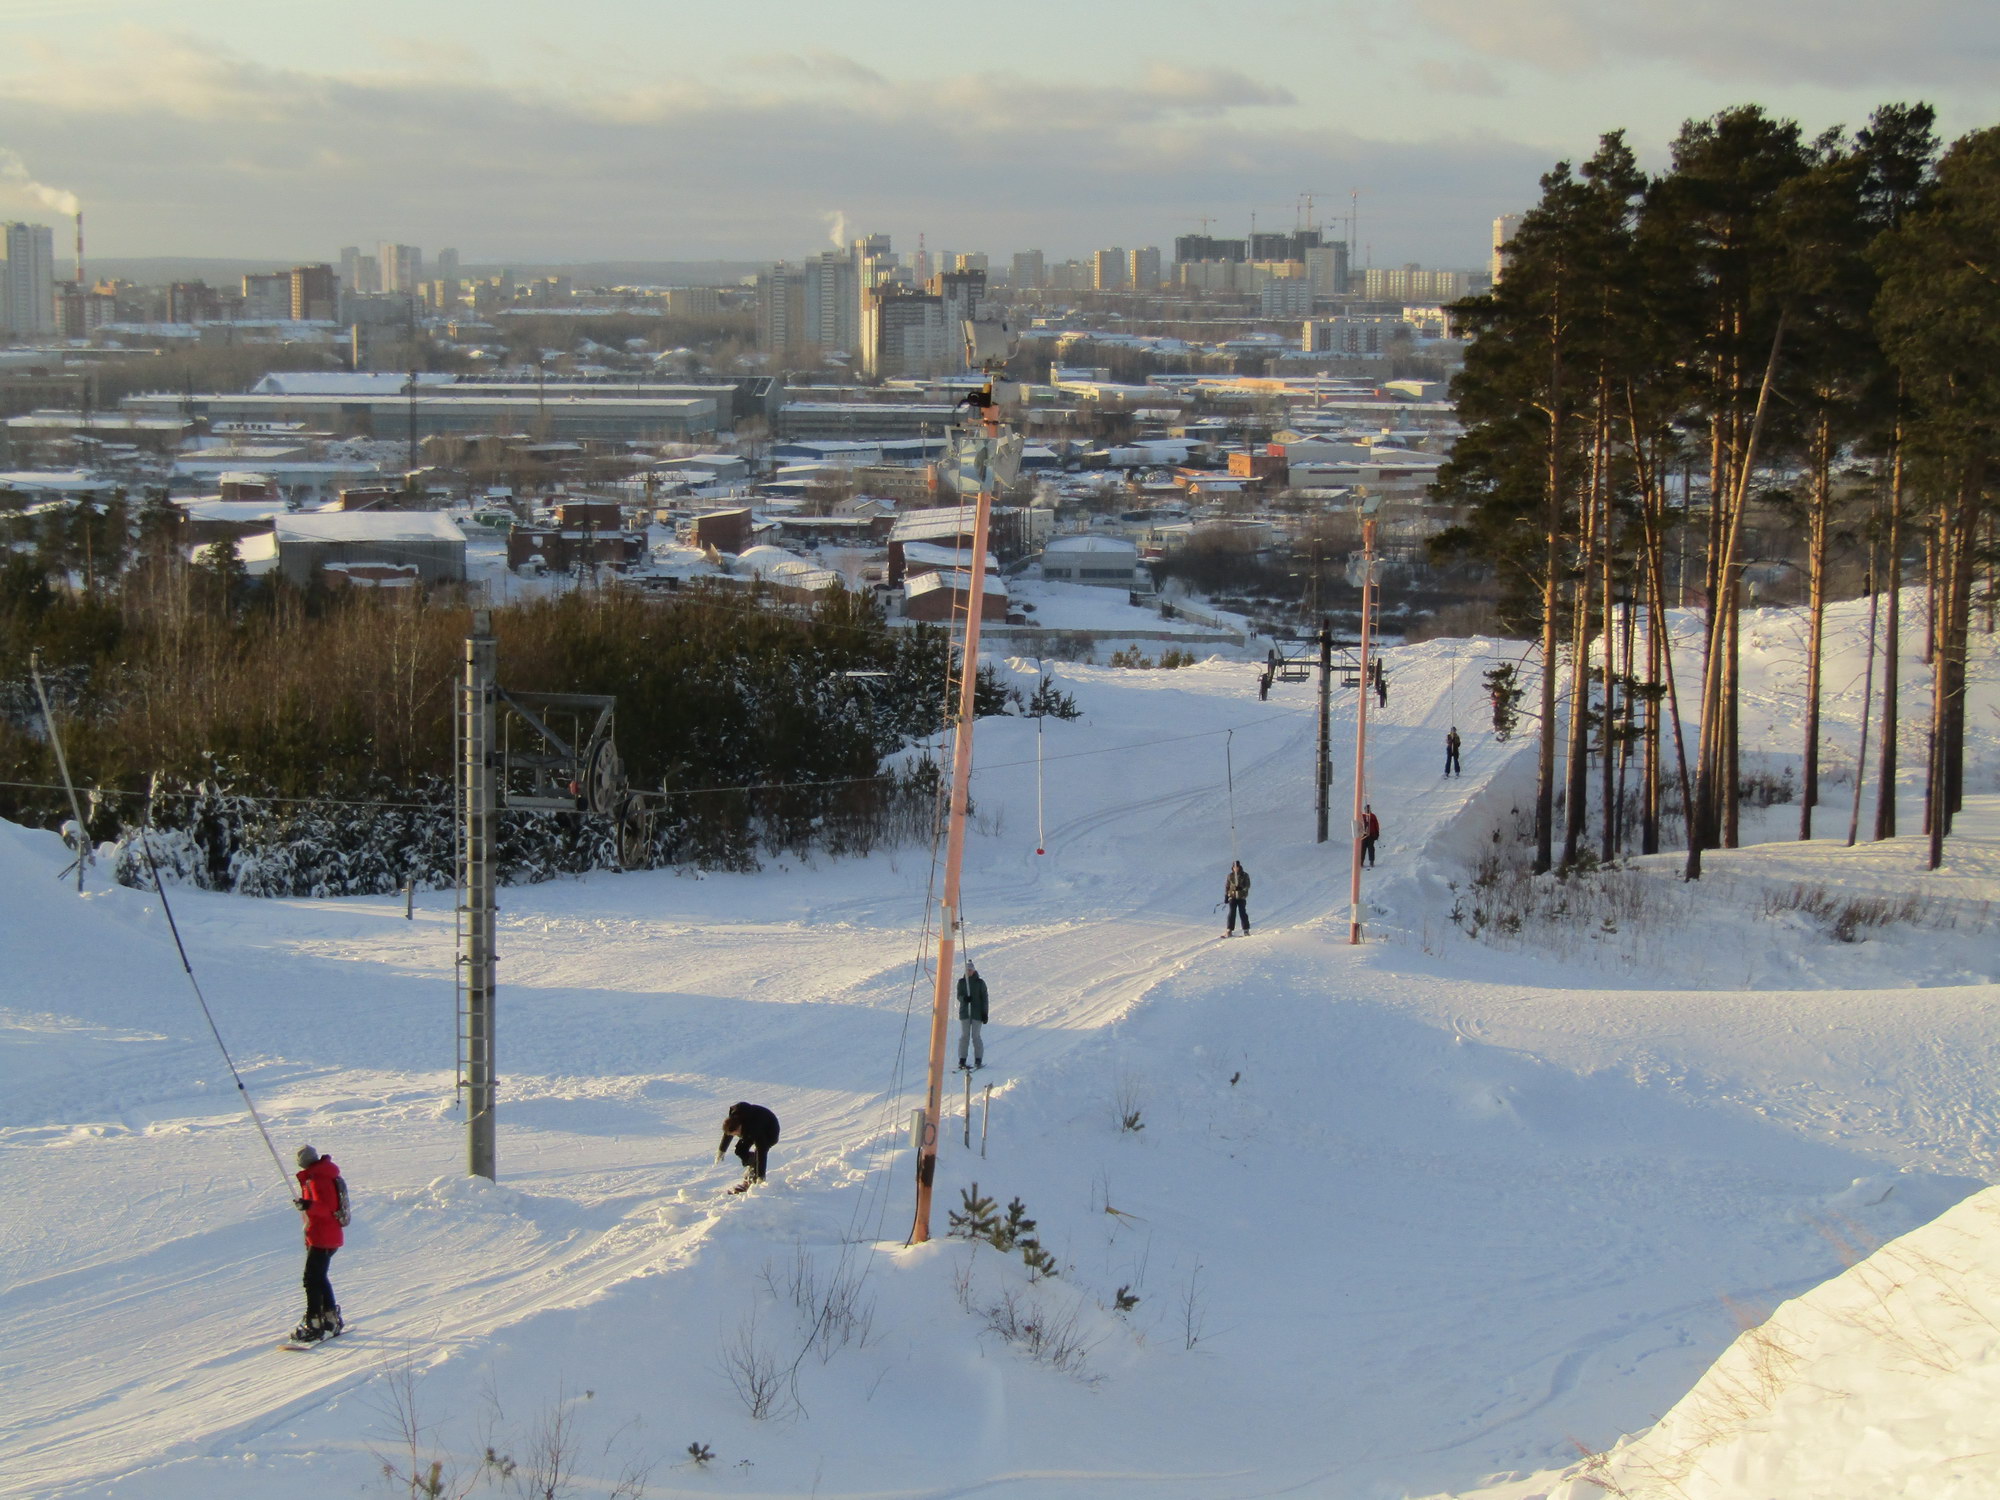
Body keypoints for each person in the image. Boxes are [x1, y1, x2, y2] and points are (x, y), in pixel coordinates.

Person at [291, 1145, 349, 1343]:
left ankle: (315, 1322)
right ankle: (330, 1318)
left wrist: (308, 1206)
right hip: (323, 1235)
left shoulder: (319, 1178)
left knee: (311, 1279)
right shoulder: (318, 1175)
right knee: (318, 1277)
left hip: (323, 1236)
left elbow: (326, 1207)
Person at [717, 1101, 780, 1192]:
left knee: (759, 1154)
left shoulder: (755, 1129)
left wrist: (761, 1176)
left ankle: (754, 1178)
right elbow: (728, 1131)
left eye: (736, 1134)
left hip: (770, 1131)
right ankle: (752, 1167)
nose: (735, 1136)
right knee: (740, 1150)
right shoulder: (734, 1117)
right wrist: (722, 1150)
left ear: (739, 1128)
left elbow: (762, 1151)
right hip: (753, 1125)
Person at [957, 962, 988, 1071]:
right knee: (964, 1036)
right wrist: (964, 999)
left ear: (974, 971)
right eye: (967, 970)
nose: (968, 972)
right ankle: (962, 1059)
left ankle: (978, 1059)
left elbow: (984, 999)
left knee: (976, 1036)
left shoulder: (980, 983)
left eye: (970, 970)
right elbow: (959, 995)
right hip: (965, 1013)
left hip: (976, 1014)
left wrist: (984, 1013)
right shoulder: (961, 982)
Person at [1223, 859, 1251, 937]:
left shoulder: (1244, 875)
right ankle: (1229, 929)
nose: (1236, 868)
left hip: (1241, 897)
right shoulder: (1230, 876)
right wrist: (1226, 896)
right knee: (1232, 912)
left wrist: (1241, 888)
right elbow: (1227, 886)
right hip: (1232, 896)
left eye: (1237, 867)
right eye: (1234, 867)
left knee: (1242, 912)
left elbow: (1248, 885)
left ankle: (1246, 929)